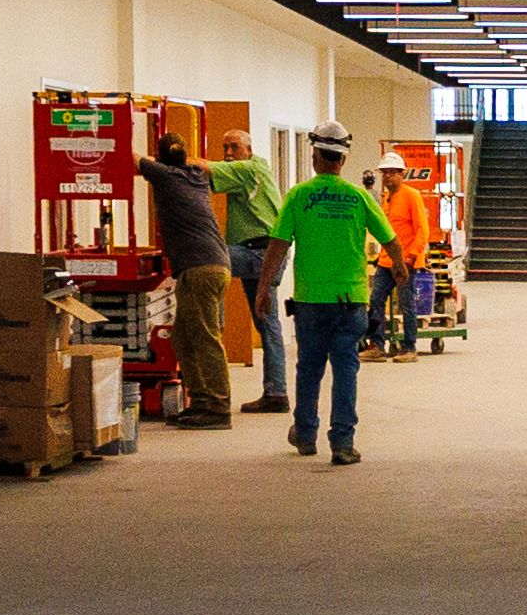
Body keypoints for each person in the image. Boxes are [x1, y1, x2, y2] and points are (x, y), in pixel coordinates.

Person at [270, 128, 392, 462]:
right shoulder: (359, 197)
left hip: (311, 300)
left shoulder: (299, 195)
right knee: (346, 369)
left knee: (309, 369)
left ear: (314, 157)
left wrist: (265, 286)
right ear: (343, 159)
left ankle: (305, 435)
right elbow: (390, 239)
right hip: (351, 300)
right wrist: (400, 268)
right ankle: (342, 443)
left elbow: (278, 244)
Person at [138, 127, 235, 431]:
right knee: (182, 336)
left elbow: (133, 159)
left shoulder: (166, 177)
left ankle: (218, 406)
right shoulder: (197, 176)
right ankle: (201, 400)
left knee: (205, 337)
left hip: (200, 268)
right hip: (211, 265)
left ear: (161, 159)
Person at [203, 130, 292, 414]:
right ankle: (276, 392)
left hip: (259, 253)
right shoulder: (257, 167)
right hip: (266, 253)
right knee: (268, 323)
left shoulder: (248, 169)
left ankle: (213, 328)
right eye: (225, 147)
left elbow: (202, 168)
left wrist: (161, 161)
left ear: (249, 150)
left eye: (234, 147)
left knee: (206, 264)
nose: (228, 153)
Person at [374, 162, 439, 358]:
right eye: (385, 173)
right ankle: (377, 345)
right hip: (386, 260)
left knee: (406, 303)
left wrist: (411, 257)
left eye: (392, 173)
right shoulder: (386, 198)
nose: (387, 176)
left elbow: (422, 230)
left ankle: (409, 347)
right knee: (375, 300)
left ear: (402, 174)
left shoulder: (411, 196)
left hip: (405, 262)